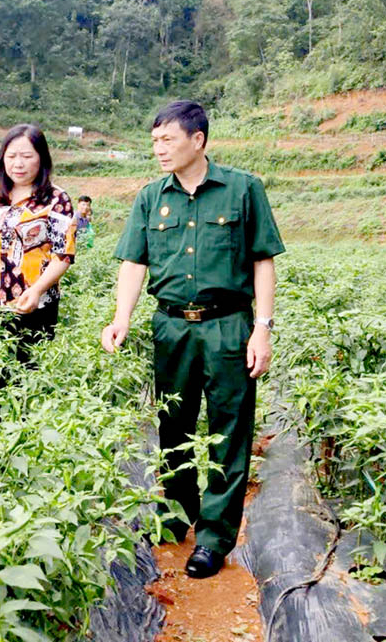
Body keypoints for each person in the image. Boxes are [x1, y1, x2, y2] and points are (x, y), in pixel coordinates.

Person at [100, 100, 284, 579]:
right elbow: (134, 263)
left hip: (228, 326)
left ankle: (214, 538)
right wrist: (121, 317)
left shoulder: (243, 189)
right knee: (172, 424)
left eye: (168, 140)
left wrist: (262, 328)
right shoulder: (149, 197)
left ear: (197, 140)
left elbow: (263, 260)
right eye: (155, 140)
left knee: (229, 429)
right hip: (171, 326)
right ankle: (176, 516)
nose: (159, 149)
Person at [0, 124, 77, 361]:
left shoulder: (57, 199)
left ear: (41, 158)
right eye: (11, 156)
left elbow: (63, 255)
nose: (18, 164)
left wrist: (37, 290)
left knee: (27, 378)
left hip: (33, 306)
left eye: (26, 156)